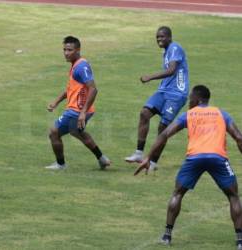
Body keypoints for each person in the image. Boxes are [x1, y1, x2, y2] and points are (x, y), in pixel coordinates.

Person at [134, 85, 242, 249]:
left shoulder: (188, 115)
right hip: (218, 157)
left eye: (190, 98)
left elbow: (164, 134)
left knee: (178, 193)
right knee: (233, 196)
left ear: (197, 99)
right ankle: (240, 240)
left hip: (195, 158)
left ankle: (167, 236)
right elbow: (239, 137)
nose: (188, 102)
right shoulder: (222, 114)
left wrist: (148, 157)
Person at [125, 26, 189, 171]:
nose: (159, 39)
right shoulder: (167, 51)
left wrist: (150, 77)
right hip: (163, 91)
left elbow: (172, 70)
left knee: (163, 126)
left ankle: (153, 162)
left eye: (162, 37)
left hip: (177, 94)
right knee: (144, 113)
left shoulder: (175, 48)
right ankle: (139, 153)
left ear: (169, 37)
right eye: (157, 37)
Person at [45, 36, 110, 170]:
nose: (66, 53)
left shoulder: (81, 66)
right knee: (76, 132)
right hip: (83, 109)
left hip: (76, 110)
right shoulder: (76, 65)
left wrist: (82, 112)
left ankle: (60, 164)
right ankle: (102, 158)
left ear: (78, 50)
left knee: (53, 132)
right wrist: (56, 101)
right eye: (64, 50)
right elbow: (71, 88)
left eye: (70, 50)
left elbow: (93, 89)